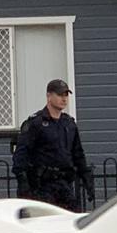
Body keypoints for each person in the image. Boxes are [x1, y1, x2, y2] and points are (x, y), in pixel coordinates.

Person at [11, 79, 96, 210]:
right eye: (60, 95)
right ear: (49, 96)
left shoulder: (69, 124)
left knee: (72, 219)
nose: (64, 99)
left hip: (64, 184)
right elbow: (21, 153)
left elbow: (77, 153)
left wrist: (86, 178)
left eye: (66, 95)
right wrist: (22, 181)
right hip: (42, 186)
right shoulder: (36, 123)